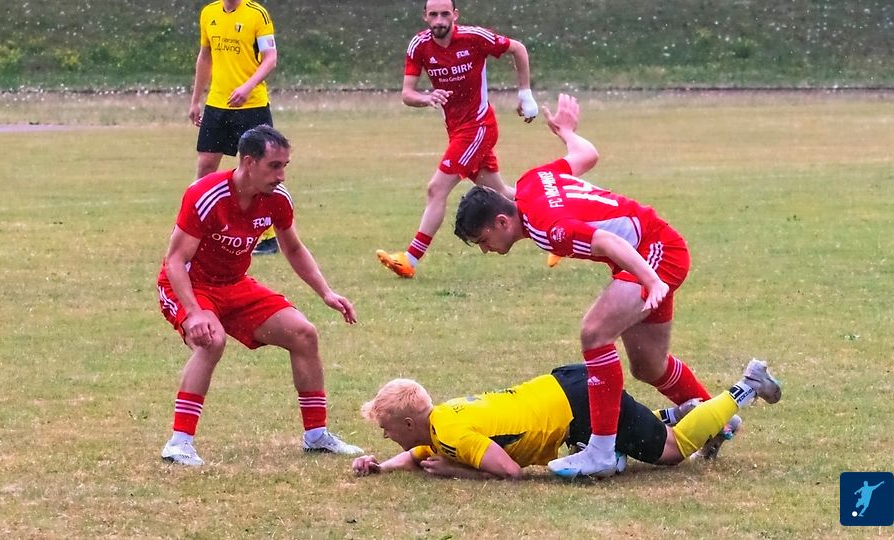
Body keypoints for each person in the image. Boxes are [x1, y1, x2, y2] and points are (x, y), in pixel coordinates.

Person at [453, 94, 722, 478]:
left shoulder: (549, 228)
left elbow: (608, 241)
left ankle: (600, 451)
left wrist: (651, 280)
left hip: (654, 252)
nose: (485, 249)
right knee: (649, 365)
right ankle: (716, 419)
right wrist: (567, 132)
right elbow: (586, 155)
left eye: (483, 240)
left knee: (594, 334)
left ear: (501, 222)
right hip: (650, 250)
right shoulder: (530, 182)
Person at [157, 125, 363, 466]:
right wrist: (193, 312)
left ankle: (316, 436)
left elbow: (293, 248)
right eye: (274, 166)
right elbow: (176, 261)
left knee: (304, 333)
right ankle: (179, 443)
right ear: (249, 162)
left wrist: (326, 292)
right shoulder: (206, 195)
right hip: (190, 285)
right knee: (211, 341)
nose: (281, 175)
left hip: (234, 284)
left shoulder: (277, 199)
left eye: (285, 166)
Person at [352, 359, 781, 479]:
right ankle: (679, 413)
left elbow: (510, 471)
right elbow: (421, 454)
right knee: (627, 437)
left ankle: (746, 386)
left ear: (409, 424)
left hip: (577, 405)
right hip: (565, 389)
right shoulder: (440, 421)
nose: (385, 436)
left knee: (672, 451)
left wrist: (456, 472)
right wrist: (379, 467)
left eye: (386, 429)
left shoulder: (453, 435)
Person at [375, 0, 539, 278]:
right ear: (425, 17)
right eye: (434, 14)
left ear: (455, 15)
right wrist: (427, 98)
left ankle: (410, 260)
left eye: (445, 14)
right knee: (505, 194)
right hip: (457, 131)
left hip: (479, 127)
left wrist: (525, 94)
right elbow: (407, 94)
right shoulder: (419, 46)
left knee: (436, 189)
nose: (439, 20)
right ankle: (557, 222)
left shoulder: (474, 38)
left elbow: (518, 48)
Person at [190, 0, 280, 255]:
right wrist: (195, 100)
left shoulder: (257, 14)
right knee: (205, 166)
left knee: (257, 170)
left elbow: (270, 59)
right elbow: (205, 56)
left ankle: (267, 237)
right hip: (217, 104)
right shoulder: (209, 13)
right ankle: (198, 229)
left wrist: (247, 87)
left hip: (252, 105)